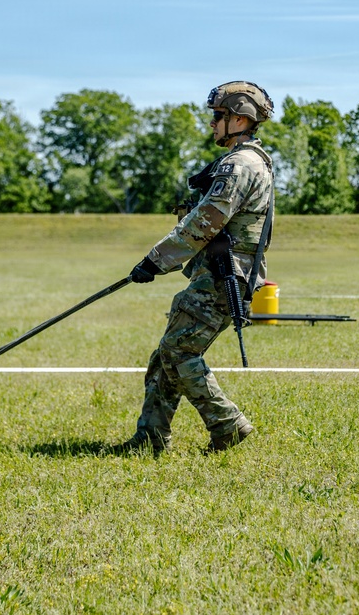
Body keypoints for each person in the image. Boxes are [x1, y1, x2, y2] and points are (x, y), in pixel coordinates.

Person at [112, 81, 275, 456]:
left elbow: (205, 222)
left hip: (223, 275)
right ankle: (150, 438)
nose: (212, 124)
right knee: (166, 355)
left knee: (179, 352)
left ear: (239, 119)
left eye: (218, 117)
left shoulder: (240, 165)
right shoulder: (247, 160)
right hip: (218, 272)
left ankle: (227, 423)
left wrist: (155, 261)